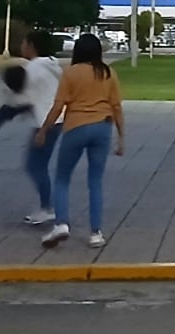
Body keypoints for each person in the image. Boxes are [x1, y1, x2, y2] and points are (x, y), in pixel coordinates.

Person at [36, 33, 125, 249]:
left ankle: (61, 223)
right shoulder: (108, 73)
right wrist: (121, 137)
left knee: (62, 178)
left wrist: (44, 130)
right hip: (103, 127)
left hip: (76, 126)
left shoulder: (71, 73)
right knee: (95, 181)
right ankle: (95, 233)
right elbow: (116, 106)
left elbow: (59, 106)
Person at [18, 31, 66, 225]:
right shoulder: (53, 64)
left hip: (45, 122)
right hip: (57, 119)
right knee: (39, 164)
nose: (21, 46)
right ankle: (47, 206)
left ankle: (47, 207)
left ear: (32, 45)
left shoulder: (34, 67)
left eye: (23, 42)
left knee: (34, 165)